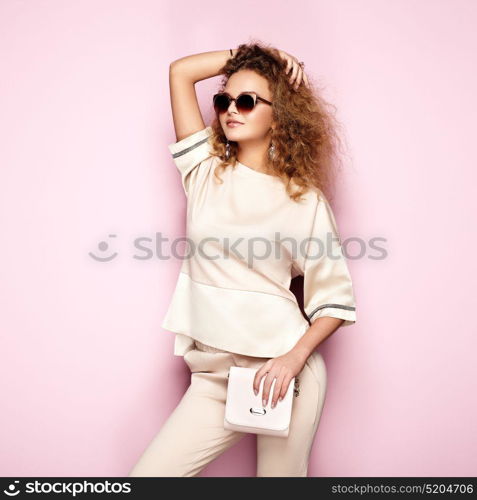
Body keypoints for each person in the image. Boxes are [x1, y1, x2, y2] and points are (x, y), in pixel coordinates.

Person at [128, 41, 357, 477]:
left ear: (279, 113)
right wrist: (260, 55)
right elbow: (180, 72)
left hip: (283, 374)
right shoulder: (204, 170)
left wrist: (293, 360)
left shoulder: (304, 201)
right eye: (224, 100)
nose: (231, 109)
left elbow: (334, 298)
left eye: (248, 101)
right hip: (214, 376)